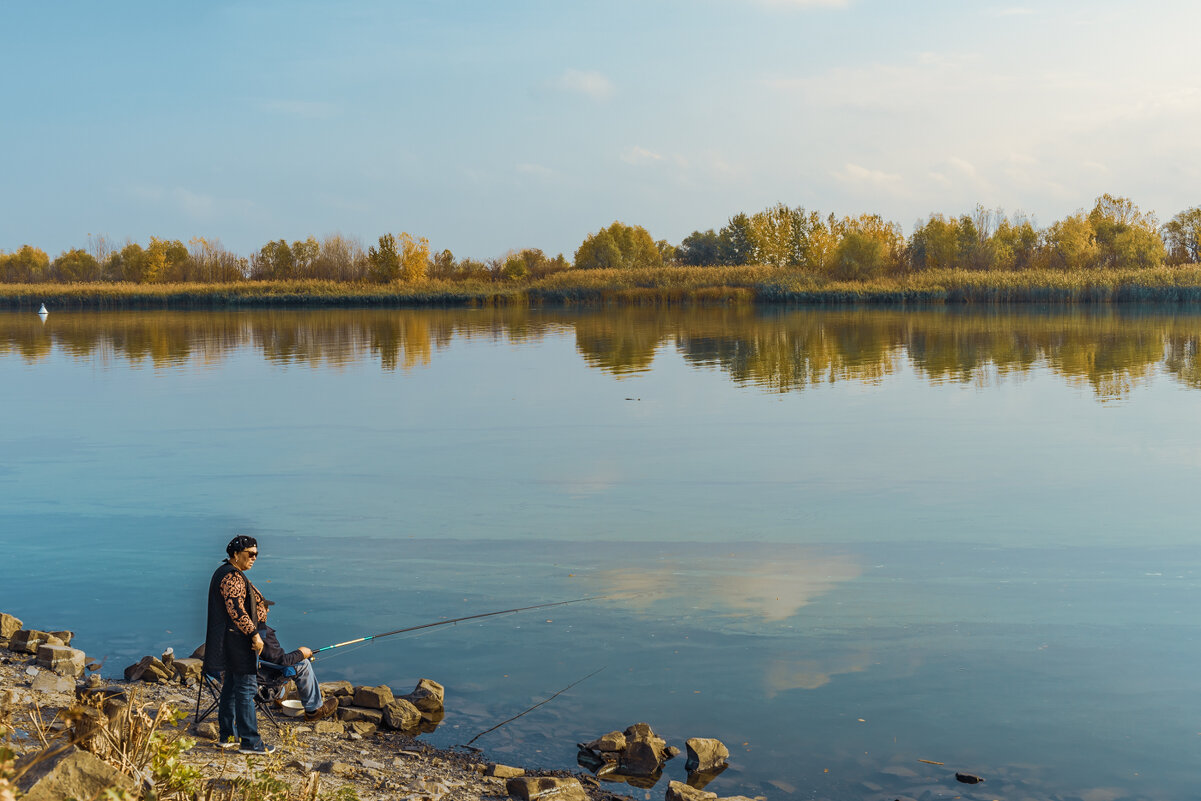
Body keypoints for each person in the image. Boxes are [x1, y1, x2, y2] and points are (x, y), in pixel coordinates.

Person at [203, 535, 274, 755]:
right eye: (250, 554)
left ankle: (228, 736)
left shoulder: (229, 573)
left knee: (232, 688)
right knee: (246, 689)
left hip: (230, 640)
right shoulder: (231, 577)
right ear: (235, 554)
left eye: (256, 554)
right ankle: (250, 742)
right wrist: (254, 634)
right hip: (237, 641)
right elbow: (236, 610)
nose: (254, 558)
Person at [258, 607, 338, 722]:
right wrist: (301, 653)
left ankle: (281, 696)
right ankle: (314, 710)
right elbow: (281, 660)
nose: (268, 610)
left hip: (237, 674)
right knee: (303, 664)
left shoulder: (233, 626)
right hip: (259, 678)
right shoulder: (261, 632)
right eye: (264, 607)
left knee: (288, 666)